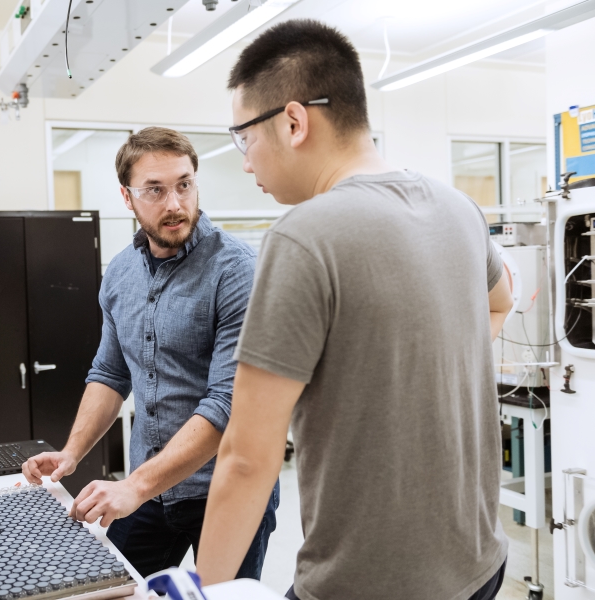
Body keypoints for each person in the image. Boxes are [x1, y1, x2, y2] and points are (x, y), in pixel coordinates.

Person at [196, 19, 515, 600]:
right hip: (481, 566)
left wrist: (203, 590)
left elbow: (246, 458)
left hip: (370, 584)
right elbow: (501, 304)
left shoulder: (303, 237)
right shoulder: (459, 208)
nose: (246, 162)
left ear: (294, 122)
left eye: (245, 137)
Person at [21, 127, 279, 579]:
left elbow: (226, 403)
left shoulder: (236, 271)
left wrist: (133, 486)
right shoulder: (120, 272)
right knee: (115, 587)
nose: (175, 203)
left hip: (226, 489)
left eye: (184, 184)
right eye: (155, 190)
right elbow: (109, 372)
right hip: (152, 491)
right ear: (127, 197)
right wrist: (72, 453)